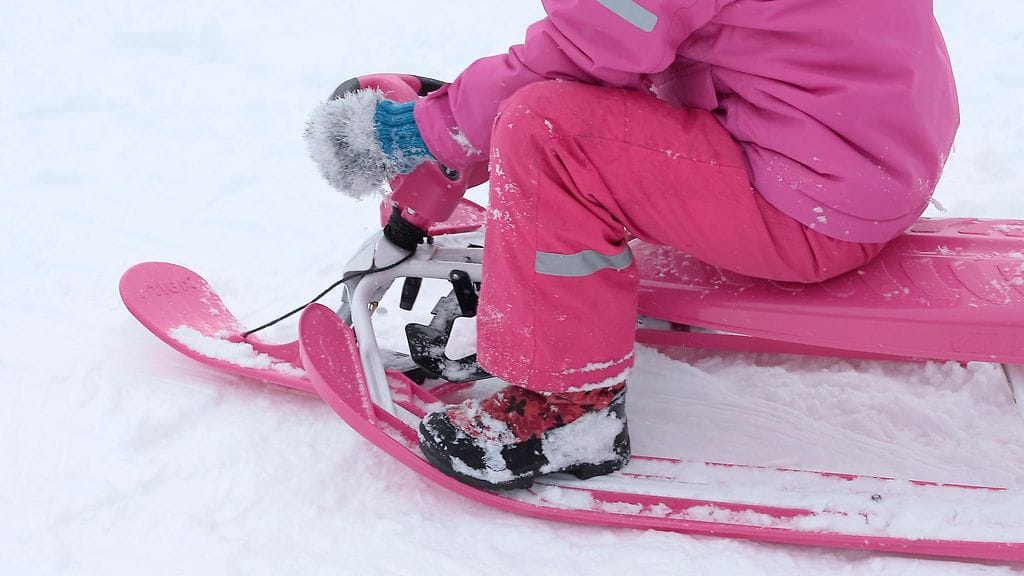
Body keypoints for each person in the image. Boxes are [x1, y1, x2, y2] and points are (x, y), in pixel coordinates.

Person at [304, 0, 959, 490]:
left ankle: (566, 407)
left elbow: (589, 48)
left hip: (812, 202)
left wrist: (422, 131)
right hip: (868, 158)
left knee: (546, 134)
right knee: (559, 115)